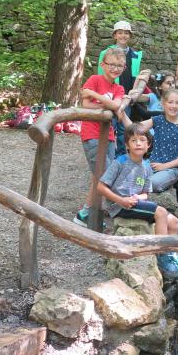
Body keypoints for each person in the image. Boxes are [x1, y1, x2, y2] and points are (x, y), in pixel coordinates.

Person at [97, 124, 178, 282]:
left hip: (135, 203)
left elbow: (145, 193)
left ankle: (174, 260)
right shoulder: (120, 162)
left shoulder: (146, 167)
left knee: (174, 221)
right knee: (161, 212)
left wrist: (138, 198)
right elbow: (101, 187)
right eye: (134, 140)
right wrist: (121, 200)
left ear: (148, 144)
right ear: (127, 145)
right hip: (119, 205)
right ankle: (163, 257)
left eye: (142, 140)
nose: (138, 143)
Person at [74, 48, 125, 227]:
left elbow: (115, 104)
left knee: (100, 175)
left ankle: (86, 213)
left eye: (120, 65)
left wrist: (94, 95)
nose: (115, 68)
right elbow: (85, 104)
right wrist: (107, 105)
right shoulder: (95, 79)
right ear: (103, 65)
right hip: (92, 135)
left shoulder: (119, 87)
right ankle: (116, 210)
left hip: (109, 136)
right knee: (106, 173)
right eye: (112, 64)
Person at [121, 89, 178, 193]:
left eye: (177, 103)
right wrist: (122, 112)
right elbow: (133, 129)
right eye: (170, 102)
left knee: (151, 183)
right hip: (151, 165)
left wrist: (164, 166)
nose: (174, 106)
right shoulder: (158, 120)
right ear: (163, 103)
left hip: (171, 170)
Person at [97, 21, 144, 156]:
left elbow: (134, 75)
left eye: (126, 33)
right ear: (115, 35)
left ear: (130, 35)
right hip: (110, 96)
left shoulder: (135, 55)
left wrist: (133, 94)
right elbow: (101, 74)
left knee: (124, 128)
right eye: (120, 32)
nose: (123, 35)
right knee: (110, 124)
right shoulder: (106, 53)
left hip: (126, 97)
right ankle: (106, 155)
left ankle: (122, 156)